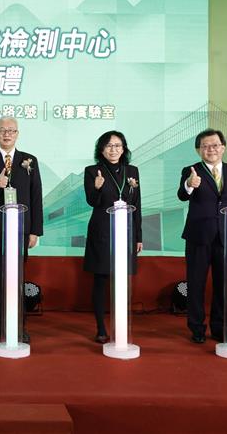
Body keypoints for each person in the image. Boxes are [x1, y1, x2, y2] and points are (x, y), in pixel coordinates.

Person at [177, 128, 227, 344]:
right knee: (196, 283)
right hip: (198, 236)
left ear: (223, 147)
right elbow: (182, 196)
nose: (210, 149)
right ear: (198, 150)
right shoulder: (190, 171)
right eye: (205, 146)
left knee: (223, 285)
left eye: (215, 145)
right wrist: (189, 185)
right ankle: (197, 328)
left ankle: (219, 327)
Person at [0, 116, 43, 344]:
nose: (7, 134)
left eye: (11, 130)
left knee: (17, 277)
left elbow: (36, 196)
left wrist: (35, 231)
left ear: (17, 134)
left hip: (21, 229)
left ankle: (18, 325)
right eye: (2, 130)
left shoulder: (29, 161)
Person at [83, 131, 143, 344]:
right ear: (101, 149)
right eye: (108, 145)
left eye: (118, 145)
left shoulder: (132, 171)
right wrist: (97, 188)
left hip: (125, 232)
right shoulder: (92, 171)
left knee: (122, 280)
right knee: (101, 280)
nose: (113, 149)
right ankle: (100, 328)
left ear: (124, 148)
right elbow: (92, 201)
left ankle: (121, 325)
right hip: (102, 231)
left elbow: (137, 205)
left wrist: (138, 236)